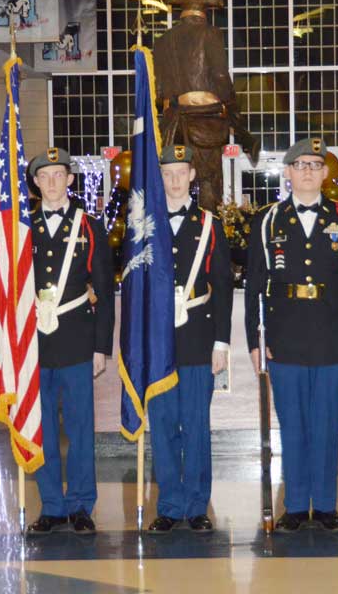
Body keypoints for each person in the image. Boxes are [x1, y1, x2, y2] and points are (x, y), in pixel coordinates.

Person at [245, 138, 338, 532]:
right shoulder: (268, 220)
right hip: (286, 335)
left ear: (327, 173)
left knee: (327, 423)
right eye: (301, 166)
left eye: (316, 166)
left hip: (334, 334)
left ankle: (327, 506)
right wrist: (255, 340)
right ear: (287, 172)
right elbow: (254, 286)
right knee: (294, 424)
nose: (308, 172)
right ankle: (296, 506)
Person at [25, 147, 114, 535]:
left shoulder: (90, 226)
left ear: (71, 180)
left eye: (59, 175)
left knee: (79, 427)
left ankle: (80, 504)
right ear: (35, 183)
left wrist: (101, 347)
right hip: (34, 344)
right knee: (40, 425)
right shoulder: (22, 228)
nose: (52, 182)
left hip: (77, 336)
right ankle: (51, 505)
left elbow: (106, 292)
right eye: (44, 176)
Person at [146, 145, 233, 534]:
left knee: (197, 426)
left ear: (193, 176)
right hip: (159, 342)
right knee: (163, 426)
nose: (175, 180)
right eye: (168, 173)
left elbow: (224, 287)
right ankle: (168, 505)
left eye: (182, 172)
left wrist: (222, 343)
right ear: (160, 177)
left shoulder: (210, 224)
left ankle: (197, 505)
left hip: (199, 337)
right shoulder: (145, 225)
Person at [153, 0, 258, 210]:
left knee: (171, 183)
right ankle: (209, 236)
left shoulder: (162, 41)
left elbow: (159, 91)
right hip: (205, 121)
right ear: (205, 9)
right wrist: (232, 109)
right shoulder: (210, 34)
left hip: (172, 123)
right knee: (209, 182)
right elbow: (220, 75)